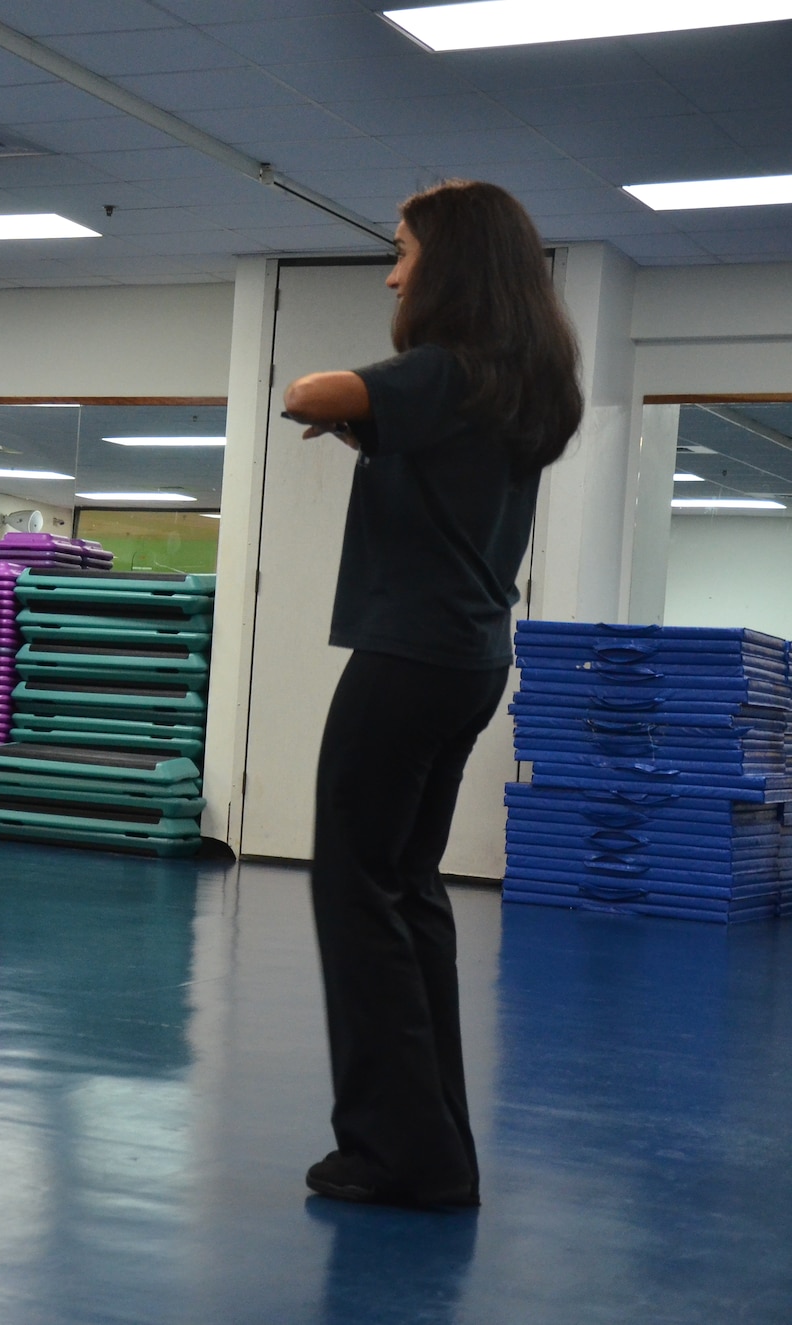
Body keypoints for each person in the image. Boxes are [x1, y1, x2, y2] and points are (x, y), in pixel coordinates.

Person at [281, 180, 583, 1207]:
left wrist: (349, 406)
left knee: (355, 890)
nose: (391, 269)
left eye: (403, 249)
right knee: (405, 891)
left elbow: (309, 392)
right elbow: (425, 454)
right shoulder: (515, 383)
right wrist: (374, 426)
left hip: (404, 658)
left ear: (449, 263)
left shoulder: (440, 369)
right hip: (467, 658)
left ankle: (391, 1150)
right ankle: (434, 1145)